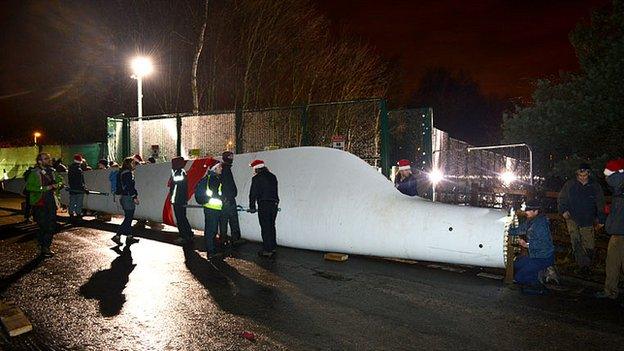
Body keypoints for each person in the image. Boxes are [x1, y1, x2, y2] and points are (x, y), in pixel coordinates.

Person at [558, 163, 606, 274]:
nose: (582, 178)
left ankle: (587, 265)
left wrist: (601, 219)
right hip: (572, 218)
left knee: (589, 244)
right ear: (577, 174)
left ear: (588, 173)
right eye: (580, 175)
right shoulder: (570, 185)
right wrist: (563, 210)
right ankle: (582, 266)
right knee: (576, 242)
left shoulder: (595, 186)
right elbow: (562, 198)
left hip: (588, 219)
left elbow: (600, 203)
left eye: (585, 175)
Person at [508, 199, 556, 287]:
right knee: (516, 264)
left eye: (528, 210)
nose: (526, 212)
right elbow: (520, 229)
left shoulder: (541, 224)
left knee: (519, 278)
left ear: (536, 211)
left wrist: (526, 245)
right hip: (534, 255)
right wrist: (506, 230)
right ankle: (537, 272)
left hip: (543, 257)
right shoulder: (531, 220)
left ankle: (539, 279)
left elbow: (544, 244)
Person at [596, 159, 624, 300]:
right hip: (616, 233)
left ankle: (611, 291)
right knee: (612, 264)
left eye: (608, 175)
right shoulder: (618, 190)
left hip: (621, 233)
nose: (606, 179)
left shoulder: (620, 187)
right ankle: (610, 291)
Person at [25, 152, 63, 257]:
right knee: (43, 226)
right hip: (39, 203)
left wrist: (58, 185)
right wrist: (45, 188)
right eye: (46, 158)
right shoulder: (34, 173)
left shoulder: (53, 171)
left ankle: (45, 247)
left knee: (50, 226)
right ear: (39, 161)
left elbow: (61, 181)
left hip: (51, 202)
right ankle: (42, 243)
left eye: (49, 158)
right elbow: (29, 187)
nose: (49, 160)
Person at [248, 159, 279, 258]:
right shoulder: (272, 176)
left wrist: (252, 207)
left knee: (265, 227)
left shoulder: (257, 178)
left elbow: (253, 193)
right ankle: (273, 246)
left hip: (264, 204)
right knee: (271, 225)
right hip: (274, 204)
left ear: (256, 168)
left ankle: (267, 249)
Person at [195, 158, 224, 260]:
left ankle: (211, 250)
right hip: (212, 208)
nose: (221, 168)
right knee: (211, 230)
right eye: (219, 167)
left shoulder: (213, 178)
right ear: (214, 168)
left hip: (212, 208)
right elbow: (214, 194)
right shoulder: (212, 179)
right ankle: (211, 252)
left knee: (211, 230)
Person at [111, 157, 140, 246]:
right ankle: (117, 235)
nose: (135, 164)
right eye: (133, 163)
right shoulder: (127, 173)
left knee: (129, 217)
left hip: (125, 197)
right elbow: (129, 186)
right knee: (128, 218)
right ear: (129, 164)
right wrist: (134, 196)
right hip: (128, 197)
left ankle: (129, 236)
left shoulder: (122, 172)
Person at [168, 156, 194, 245]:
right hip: (181, 200)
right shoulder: (181, 172)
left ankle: (184, 236)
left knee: (180, 219)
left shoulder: (178, 173)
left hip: (178, 200)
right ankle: (189, 234)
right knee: (183, 218)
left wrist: (173, 199)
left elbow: (175, 185)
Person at [219, 151, 242, 247]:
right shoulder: (226, 169)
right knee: (233, 219)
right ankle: (235, 238)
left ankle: (223, 238)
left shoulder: (223, 168)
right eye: (230, 156)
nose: (232, 158)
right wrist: (230, 197)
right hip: (229, 199)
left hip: (225, 198)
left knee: (224, 219)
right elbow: (227, 185)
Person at [68, 154, 87, 221]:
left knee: (72, 202)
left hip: (72, 189)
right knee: (79, 202)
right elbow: (80, 181)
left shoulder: (70, 168)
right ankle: (78, 214)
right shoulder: (79, 169)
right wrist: (84, 189)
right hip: (79, 189)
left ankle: (71, 214)